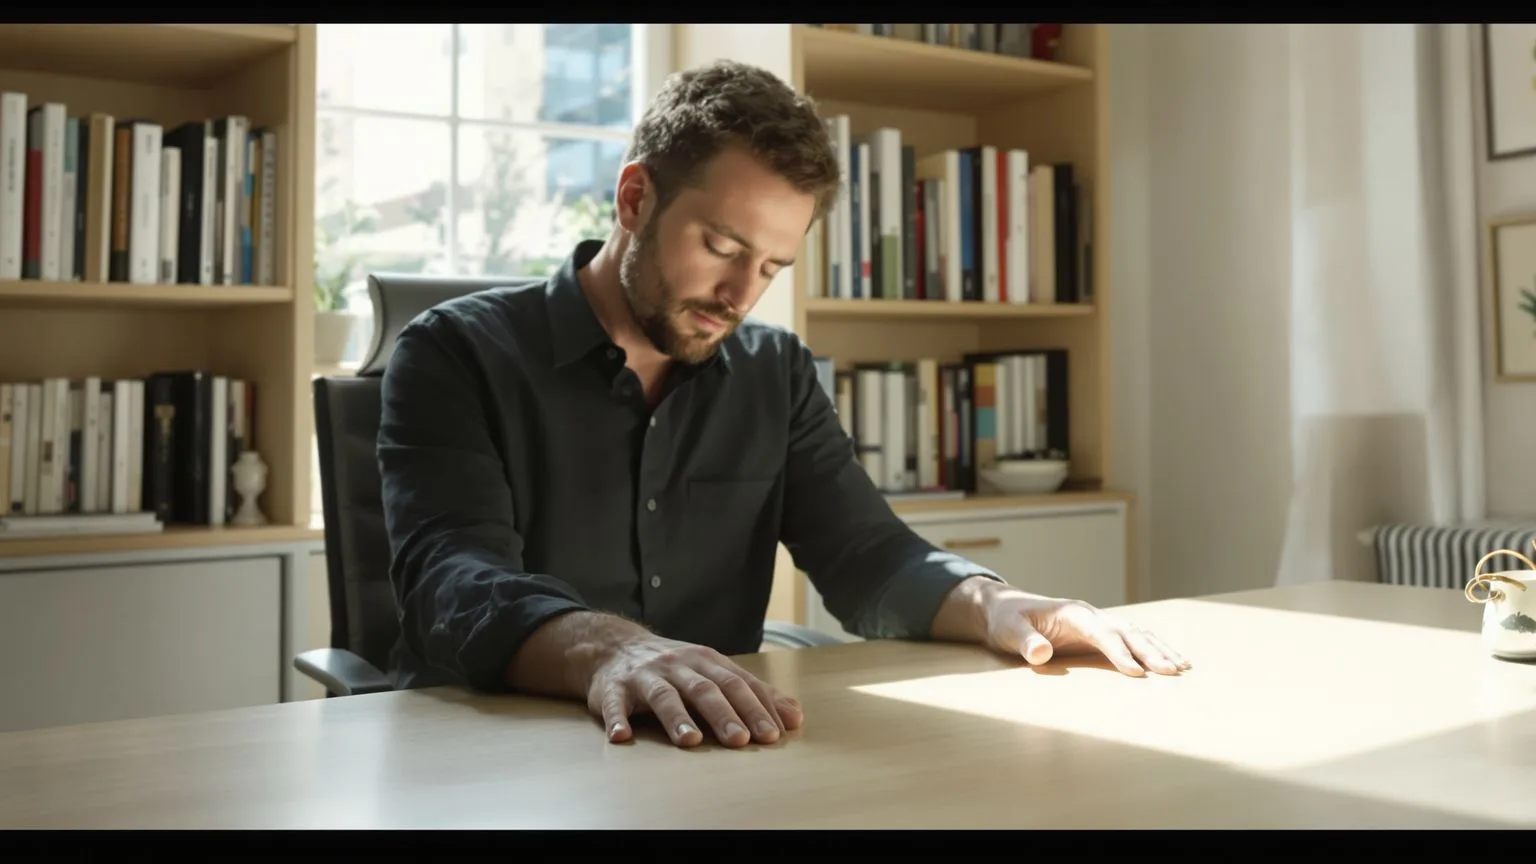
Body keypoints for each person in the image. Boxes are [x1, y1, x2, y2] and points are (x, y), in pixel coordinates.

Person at [377, 58, 1190, 751]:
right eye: (721, 248)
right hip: (490, 750)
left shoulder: (775, 371)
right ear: (633, 200)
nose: (738, 295)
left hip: (707, 748)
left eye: (769, 267)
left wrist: (999, 604)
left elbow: (866, 553)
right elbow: (452, 579)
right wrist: (612, 647)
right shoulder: (455, 353)